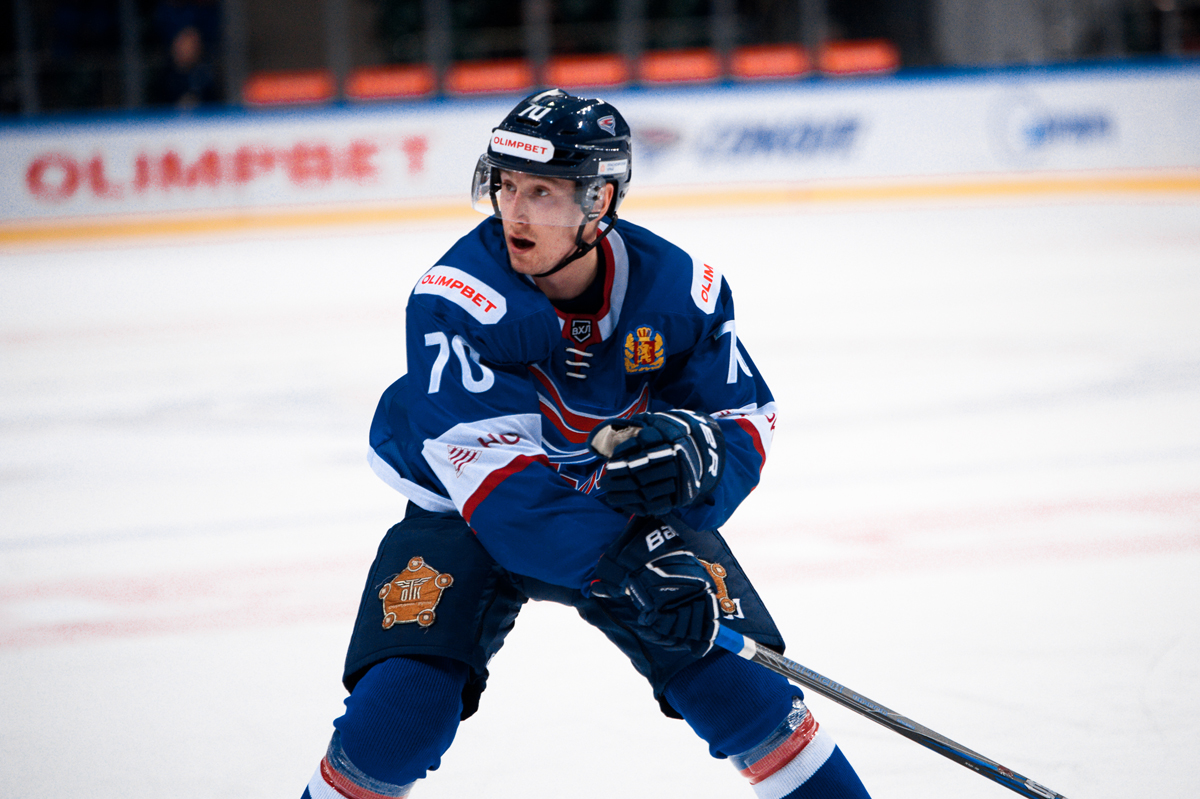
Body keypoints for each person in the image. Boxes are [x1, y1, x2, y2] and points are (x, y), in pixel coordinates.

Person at [302, 88, 873, 799]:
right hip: (467, 513)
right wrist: (631, 565)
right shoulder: (459, 297)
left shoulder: (679, 291)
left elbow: (745, 415)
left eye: (541, 191)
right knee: (396, 719)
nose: (514, 211)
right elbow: (500, 488)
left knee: (746, 695)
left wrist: (700, 465)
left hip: (617, 508)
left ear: (598, 201)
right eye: (506, 185)